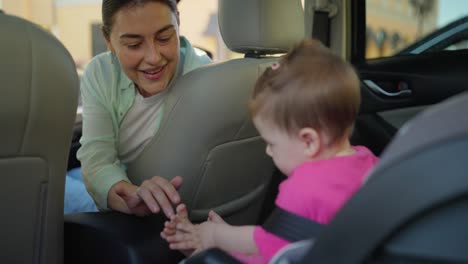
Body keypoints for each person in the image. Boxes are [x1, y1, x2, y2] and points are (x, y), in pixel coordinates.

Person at [161, 39, 379, 263]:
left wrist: (215, 237)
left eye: (272, 143)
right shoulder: (368, 160)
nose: (268, 151)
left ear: (309, 142)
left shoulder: (303, 188)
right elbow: (288, 242)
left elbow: (270, 249)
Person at [64, 0, 212, 215]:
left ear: (178, 22)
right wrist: (124, 192)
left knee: (57, 187)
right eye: (134, 45)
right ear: (108, 40)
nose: (153, 57)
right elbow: (97, 158)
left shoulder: (204, 76)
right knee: (68, 176)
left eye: (164, 38)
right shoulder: (101, 73)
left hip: (165, 216)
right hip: (124, 190)